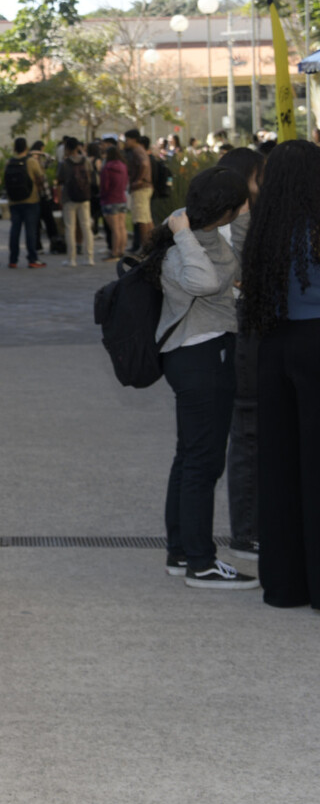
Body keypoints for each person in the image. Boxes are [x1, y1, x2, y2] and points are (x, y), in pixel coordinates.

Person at [141, 168, 254, 590]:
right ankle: (201, 562)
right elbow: (204, 282)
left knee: (189, 457)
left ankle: (182, 551)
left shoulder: (197, 233)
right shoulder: (184, 238)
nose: (245, 208)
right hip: (202, 357)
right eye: (240, 204)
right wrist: (185, 233)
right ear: (224, 209)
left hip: (197, 354)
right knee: (203, 464)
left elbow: (226, 271)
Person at [236, 141, 320, 608]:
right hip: (316, 343)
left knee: (279, 466)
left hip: (274, 347)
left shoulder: (265, 228)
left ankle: (286, 585)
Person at [217, 146, 264, 562]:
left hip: (226, 336)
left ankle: (249, 530)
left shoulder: (205, 216)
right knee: (247, 430)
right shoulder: (237, 221)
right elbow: (248, 275)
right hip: (240, 334)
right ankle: (247, 533)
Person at [6, 137, 47, 269]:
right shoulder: (31, 161)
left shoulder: (9, 162)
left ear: (14, 148)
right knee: (31, 230)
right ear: (26, 148)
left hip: (13, 201)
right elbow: (40, 177)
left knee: (15, 230)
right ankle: (32, 259)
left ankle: (13, 260)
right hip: (31, 200)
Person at [58, 138, 94, 267]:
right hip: (84, 197)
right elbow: (91, 177)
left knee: (70, 227)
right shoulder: (86, 161)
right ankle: (89, 257)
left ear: (67, 148)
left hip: (69, 198)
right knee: (86, 226)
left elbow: (60, 181)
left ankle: (71, 259)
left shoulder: (64, 163)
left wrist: (59, 198)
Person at [124, 129, 153, 255]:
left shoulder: (137, 150)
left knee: (141, 219)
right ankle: (151, 245)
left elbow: (144, 164)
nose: (125, 142)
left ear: (133, 139)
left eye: (127, 140)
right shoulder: (140, 150)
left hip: (141, 188)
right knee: (146, 218)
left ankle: (145, 247)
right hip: (145, 187)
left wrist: (139, 180)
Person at [99, 145, 129, 262]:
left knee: (115, 229)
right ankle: (121, 250)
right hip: (122, 198)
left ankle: (114, 252)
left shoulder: (107, 168)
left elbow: (104, 186)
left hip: (110, 200)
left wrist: (102, 197)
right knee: (122, 227)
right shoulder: (123, 166)